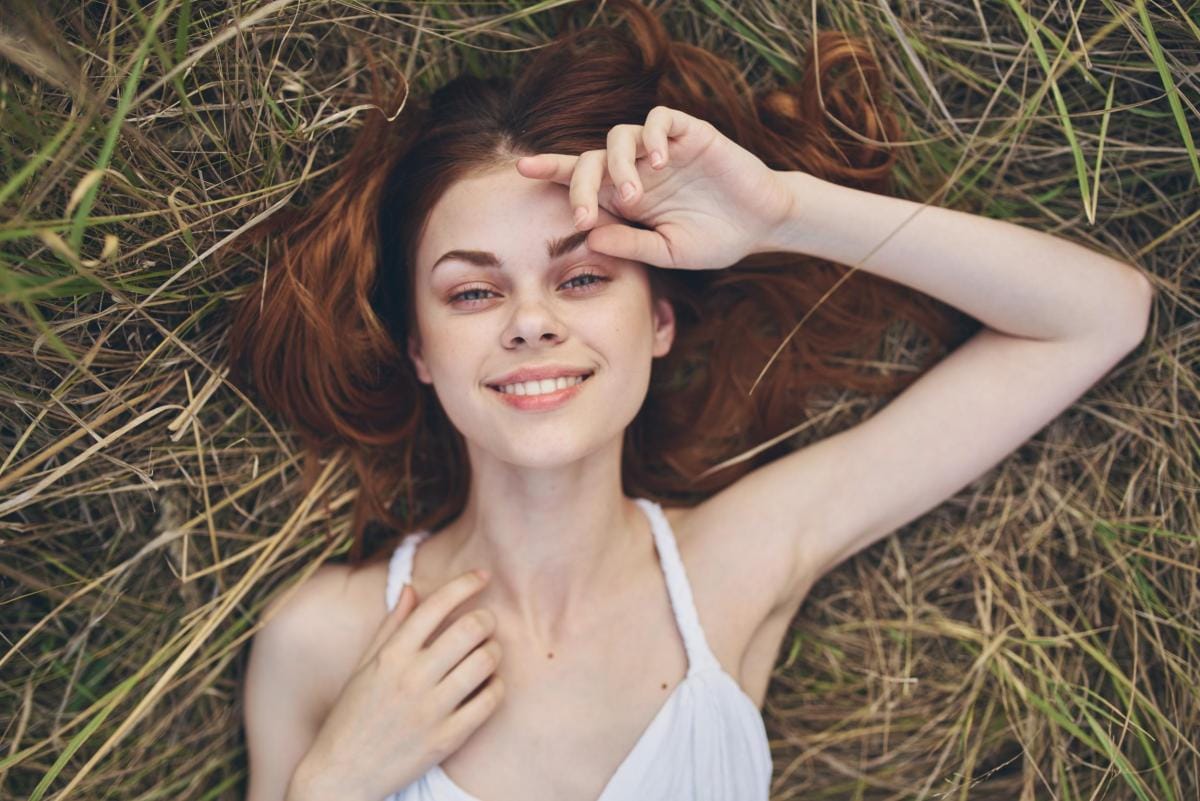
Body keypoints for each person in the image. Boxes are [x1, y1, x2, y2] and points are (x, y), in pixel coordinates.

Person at [233, 2, 1154, 800]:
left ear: (660, 321)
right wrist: (331, 783)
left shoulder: (734, 568)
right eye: (473, 292)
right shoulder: (320, 641)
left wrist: (784, 214)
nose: (530, 322)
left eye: (584, 277)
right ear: (421, 352)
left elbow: (1099, 316)